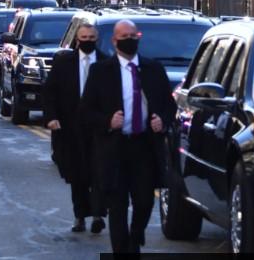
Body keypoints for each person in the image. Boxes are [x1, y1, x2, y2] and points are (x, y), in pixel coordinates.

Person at [81, 20, 177, 255]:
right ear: (114, 41)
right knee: (117, 205)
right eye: (124, 36)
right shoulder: (101, 71)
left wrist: (161, 121)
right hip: (114, 147)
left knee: (145, 201)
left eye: (133, 35)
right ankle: (122, 250)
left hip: (143, 146)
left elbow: (169, 106)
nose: (130, 39)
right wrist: (107, 121)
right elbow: (85, 111)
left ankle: (136, 234)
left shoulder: (154, 69)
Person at [42, 23, 107, 234]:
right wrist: (51, 117)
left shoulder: (107, 63)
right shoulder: (63, 63)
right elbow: (49, 92)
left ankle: (98, 214)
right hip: (70, 127)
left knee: (98, 173)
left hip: (99, 128)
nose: (87, 41)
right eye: (83, 38)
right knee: (77, 174)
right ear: (77, 40)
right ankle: (80, 216)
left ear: (97, 40)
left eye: (91, 38)